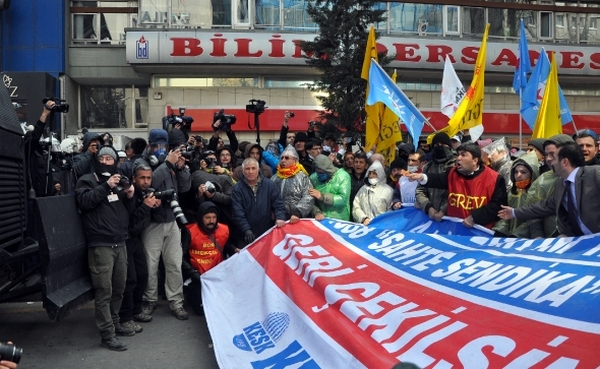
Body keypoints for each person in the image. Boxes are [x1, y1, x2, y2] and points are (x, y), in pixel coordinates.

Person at [76, 145, 135, 351]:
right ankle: (107, 334)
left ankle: (115, 323)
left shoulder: (118, 182)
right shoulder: (87, 180)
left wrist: (129, 194)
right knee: (104, 291)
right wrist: (105, 185)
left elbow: (127, 210)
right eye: (104, 158)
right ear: (98, 160)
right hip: (100, 244)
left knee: (119, 287)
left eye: (111, 159)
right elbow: (85, 202)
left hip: (120, 242)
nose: (108, 162)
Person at [134, 128, 191, 321]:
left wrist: (181, 169)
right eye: (156, 145)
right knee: (151, 265)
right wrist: (167, 164)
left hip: (172, 219)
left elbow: (185, 187)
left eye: (164, 146)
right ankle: (149, 300)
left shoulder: (171, 164)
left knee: (174, 263)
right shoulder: (142, 163)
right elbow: (148, 184)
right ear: (149, 145)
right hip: (152, 223)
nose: (160, 149)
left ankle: (176, 301)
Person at [498, 141, 600, 237]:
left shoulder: (595, 174)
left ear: (564, 162)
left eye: (554, 158)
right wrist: (514, 212)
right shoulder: (561, 184)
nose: (550, 162)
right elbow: (544, 206)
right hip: (582, 242)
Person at [408, 142, 507, 229]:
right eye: (458, 154)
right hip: (454, 231)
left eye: (463, 155)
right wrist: (422, 177)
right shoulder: (452, 172)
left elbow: (497, 206)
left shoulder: (495, 179)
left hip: (480, 234)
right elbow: (437, 179)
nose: (458, 158)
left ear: (475, 160)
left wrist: (474, 218)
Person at [118, 164, 157, 334]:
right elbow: (131, 221)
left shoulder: (145, 194)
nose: (146, 181)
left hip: (136, 239)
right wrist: (146, 207)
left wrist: (154, 205)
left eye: (148, 178)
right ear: (134, 178)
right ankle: (125, 318)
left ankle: (136, 310)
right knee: (130, 279)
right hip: (125, 240)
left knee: (142, 274)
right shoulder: (129, 194)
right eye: (142, 177)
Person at [518, 134, 574, 238]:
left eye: (553, 154)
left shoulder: (587, 176)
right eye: (546, 154)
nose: (548, 158)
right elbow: (533, 212)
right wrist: (538, 236)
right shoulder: (541, 181)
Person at [182, 201, 232, 315]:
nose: (211, 221)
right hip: (198, 277)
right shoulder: (190, 231)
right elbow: (181, 257)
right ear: (201, 217)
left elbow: (226, 245)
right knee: (200, 311)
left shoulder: (224, 229)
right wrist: (192, 273)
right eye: (208, 217)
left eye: (214, 217)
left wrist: (235, 250)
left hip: (217, 274)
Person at [231, 158, 286, 250]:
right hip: (245, 236)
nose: (250, 171)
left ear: (258, 170)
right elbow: (237, 212)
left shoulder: (269, 185)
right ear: (243, 171)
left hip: (267, 232)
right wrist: (246, 229)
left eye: (253, 168)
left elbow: (279, 204)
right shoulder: (237, 189)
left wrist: (280, 217)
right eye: (247, 169)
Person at [492, 152, 539, 237]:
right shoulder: (511, 192)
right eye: (516, 172)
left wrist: (516, 235)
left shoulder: (537, 194)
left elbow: (534, 220)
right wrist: (500, 230)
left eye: (523, 172)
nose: (518, 175)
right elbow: (504, 215)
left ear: (532, 173)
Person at [415, 132, 456, 222]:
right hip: (430, 217)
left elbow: (459, 192)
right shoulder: (428, 166)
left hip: (450, 217)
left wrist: (443, 210)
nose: (439, 146)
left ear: (449, 146)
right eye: (437, 144)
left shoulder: (456, 166)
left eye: (442, 144)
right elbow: (420, 191)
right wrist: (428, 207)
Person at [271, 146, 314, 223]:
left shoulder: (302, 177)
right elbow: (269, 197)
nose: (283, 160)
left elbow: (308, 196)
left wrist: (298, 213)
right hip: (279, 220)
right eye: (282, 158)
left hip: (297, 220)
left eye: (287, 158)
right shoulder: (274, 177)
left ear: (295, 160)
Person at [310, 154, 352, 221]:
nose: (319, 175)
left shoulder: (343, 176)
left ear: (328, 170)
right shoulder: (313, 178)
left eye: (321, 172)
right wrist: (316, 212)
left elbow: (343, 199)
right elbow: (310, 200)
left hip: (340, 219)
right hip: (321, 219)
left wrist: (322, 197)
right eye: (317, 172)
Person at [353, 161, 393, 225]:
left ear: (380, 174)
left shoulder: (388, 191)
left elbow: (391, 210)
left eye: (374, 173)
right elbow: (356, 206)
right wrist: (363, 218)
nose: (371, 176)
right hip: (365, 226)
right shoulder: (363, 189)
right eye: (369, 173)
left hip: (382, 227)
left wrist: (382, 222)